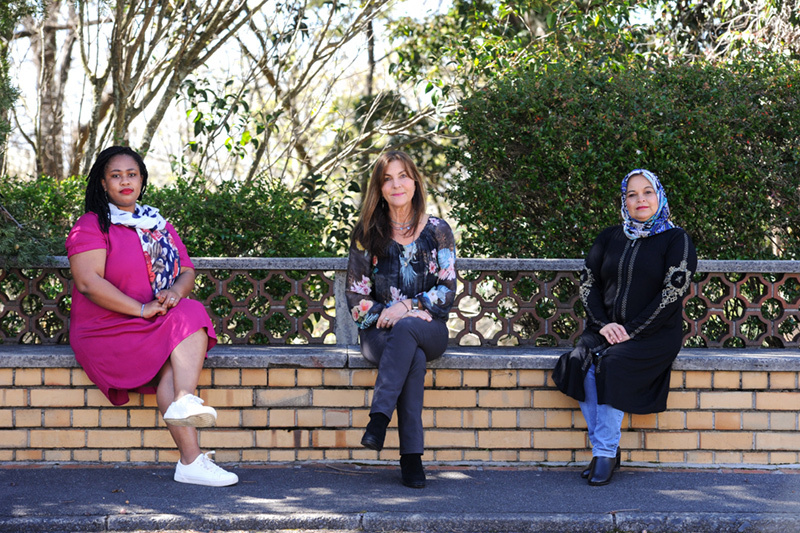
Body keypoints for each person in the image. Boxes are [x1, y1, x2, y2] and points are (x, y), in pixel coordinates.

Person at [66, 146, 238, 487]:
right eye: (115, 176)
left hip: (153, 319)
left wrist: (175, 292)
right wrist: (142, 309)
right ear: (102, 183)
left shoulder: (156, 223)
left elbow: (187, 271)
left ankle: (187, 429)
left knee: (190, 310)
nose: (125, 182)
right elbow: (87, 282)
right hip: (108, 328)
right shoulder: (91, 224)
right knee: (181, 342)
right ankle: (189, 442)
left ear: (142, 179)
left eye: (132, 174)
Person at [552, 169, 697, 486]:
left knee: (613, 365)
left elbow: (672, 292)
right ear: (624, 201)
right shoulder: (609, 237)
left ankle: (603, 453)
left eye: (647, 192)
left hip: (654, 333)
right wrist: (605, 326)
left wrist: (630, 330)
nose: (640, 199)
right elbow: (588, 285)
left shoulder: (677, 239)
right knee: (580, 362)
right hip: (604, 330)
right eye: (632, 194)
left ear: (659, 196)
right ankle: (607, 449)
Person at [346, 151, 456, 489]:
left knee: (410, 330)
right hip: (379, 332)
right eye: (388, 178)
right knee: (413, 357)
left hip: (430, 327)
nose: (397, 184)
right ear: (379, 188)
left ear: (415, 181)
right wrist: (387, 315)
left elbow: (447, 289)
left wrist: (406, 307)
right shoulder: (367, 233)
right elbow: (356, 298)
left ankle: (378, 419)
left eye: (403, 176)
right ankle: (412, 457)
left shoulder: (438, 230)